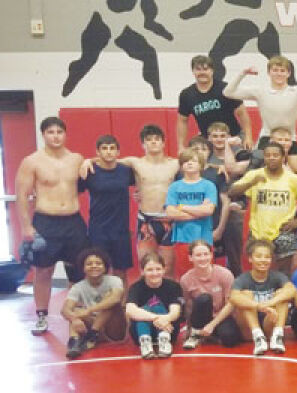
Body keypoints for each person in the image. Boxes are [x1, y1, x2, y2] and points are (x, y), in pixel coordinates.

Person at [223, 55, 297, 223]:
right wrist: (243, 73)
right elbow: (228, 92)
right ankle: (240, 198)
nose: (279, 73)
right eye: (275, 70)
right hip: (268, 137)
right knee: (254, 165)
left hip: (290, 138)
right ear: (269, 72)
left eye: (283, 70)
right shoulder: (261, 91)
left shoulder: (296, 91)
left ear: (288, 73)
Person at [17, 117, 88, 335]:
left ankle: (77, 315)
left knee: (79, 270)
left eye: (59, 132)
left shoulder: (76, 159)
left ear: (65, 134)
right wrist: (27, 227)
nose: (55, 136)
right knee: (44, 271)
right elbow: (22, 196)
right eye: (50, 132)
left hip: (73, 221)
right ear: (43, 135)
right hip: (46, 221)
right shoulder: (32, 161)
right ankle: (41, 316)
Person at [80, 125, 180, 276]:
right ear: (143, 144)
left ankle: (171, 299)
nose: (153, 142)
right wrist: (88, 161)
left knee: (168, 269)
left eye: (157, 139)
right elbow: (108, 158)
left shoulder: (175, 164)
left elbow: (198, 164)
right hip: (146, 220)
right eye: (149, 140)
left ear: (163, 143)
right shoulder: (134, 163)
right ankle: (145, 300)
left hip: (168, 220)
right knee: (146, 268)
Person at [228, 143, 297, 274]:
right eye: (268, 155)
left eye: (275, 155)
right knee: (258, 270)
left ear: (283, 157)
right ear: (264, 157)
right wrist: (251, 182)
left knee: (284, 272)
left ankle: (283, 294)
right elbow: (232, 192)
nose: (271, 158)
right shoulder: (254, 175)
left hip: (284, 231)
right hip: (258, 231)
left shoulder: (292, 179)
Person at [79, 135, 136, 279]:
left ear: (118, 152)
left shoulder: (126, 171)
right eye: (104, 148)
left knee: (121, 271)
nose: (109, 152)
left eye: (112, 148)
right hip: (98, 230)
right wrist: (87, 161)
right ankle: (99, 301)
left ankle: (121, 302)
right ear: (98, 152)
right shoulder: (90, 171)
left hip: (121, 230)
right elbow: (73, 191)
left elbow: (143, 184)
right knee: (97, 270)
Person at [229, 240, 296, 355]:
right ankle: (258, 337)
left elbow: (292, 290)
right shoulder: (243, 279)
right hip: (248, 329)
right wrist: (259, 306)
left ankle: (277, 336)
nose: (263, 260)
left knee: (282, 294)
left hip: (268, 323)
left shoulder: (276, 276)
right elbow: (233, 297)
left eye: (267, 257)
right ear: (250, 259)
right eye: (259, 256)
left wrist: (271, 302)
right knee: (245, 295)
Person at [176, 54, 252, 152]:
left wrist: (248, 137)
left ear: (212, 71)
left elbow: (242, 113)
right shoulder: (187, 94)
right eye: (198, 69)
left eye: (205, 69)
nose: (202, 72)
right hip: (208, 142)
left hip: (234, 136)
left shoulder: (225, 89)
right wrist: (181, 146)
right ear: (193, 71)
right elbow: (182, 121)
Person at [61, 249, 126, 359]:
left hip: (113, 328)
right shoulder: (78, 287)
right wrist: (74, 319)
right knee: (74, 311)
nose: (94, 266)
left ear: (105, 267)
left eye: (98, 263)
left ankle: (93, 334)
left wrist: (89, 310)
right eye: (89, 264)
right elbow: (65, 310)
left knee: (111, 302)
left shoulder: (114, 280)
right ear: (83, 268)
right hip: (92, 322)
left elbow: (115, 298)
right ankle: (74, 343)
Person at [179, 240, 240, 349]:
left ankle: (210, 335)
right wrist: (189, 328)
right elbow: (188, 307)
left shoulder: (225, 274)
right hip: (201, 318)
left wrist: (212, 325)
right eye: (198, 255)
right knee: (204, 298)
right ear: (190, 258)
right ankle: (196, 333)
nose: (202, 258)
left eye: (206, 254)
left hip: (221, 316)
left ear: (211, 255)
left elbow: (230, 305)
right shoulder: (185, 279)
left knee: (230, 339)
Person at [125, 253, 184, 359]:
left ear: (164, 269)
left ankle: (164, 340)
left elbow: (175, 312)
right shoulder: (136, 287)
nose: (154, 273)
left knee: (158, 307)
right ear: (142, 271)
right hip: (140, 333)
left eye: (158, 269)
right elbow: (130, 310)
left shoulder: (173, 286)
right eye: (150, 270)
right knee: (146, 309)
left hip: (169, 330)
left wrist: (164, 319)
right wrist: (155, 317)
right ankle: (146, 343)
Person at [205, 122, 244, 275]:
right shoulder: (206, 158)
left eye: (223, 136)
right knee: (209, 254)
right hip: (213, 211)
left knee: (234, 256)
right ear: (209, 138)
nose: (219, 139)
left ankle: (235, 290)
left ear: (229, 137)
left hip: (234, 209)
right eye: (215, 136)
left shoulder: (238, 155)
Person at [164, 149, 218, 246]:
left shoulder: (209, 186)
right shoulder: (174, 186)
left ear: (201, 165)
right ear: (181, 166)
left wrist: (181, 207)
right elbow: (170, 213)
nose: (189, 163)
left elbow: (208, 210)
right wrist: (199, 212)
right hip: (181, 237)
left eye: (193, 161)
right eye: (186, 161)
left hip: (204, 238)